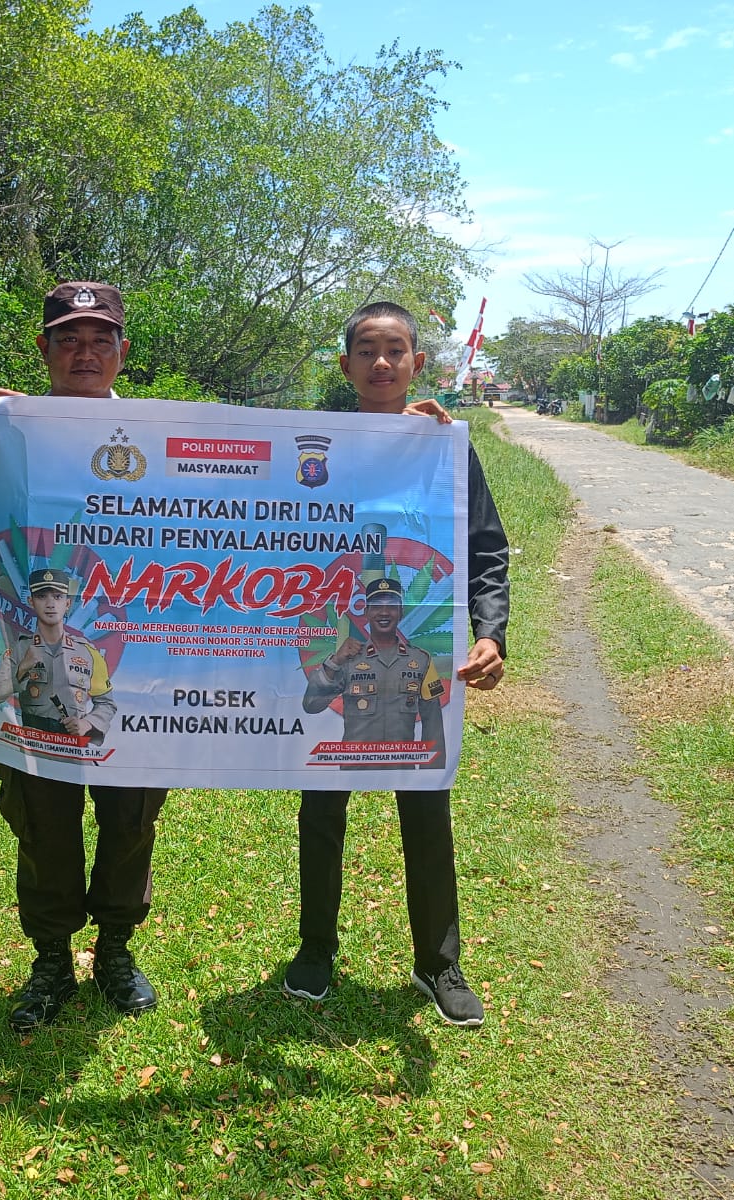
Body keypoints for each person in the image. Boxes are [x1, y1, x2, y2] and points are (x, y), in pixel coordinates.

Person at [283, 300, 510, 1028]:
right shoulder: (306, 444)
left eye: (396, 351)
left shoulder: (442, 448)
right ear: (345, 365)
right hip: (340, 664)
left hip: (419, 667)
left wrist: (492, 633)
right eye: (367, 351)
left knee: (426, 813)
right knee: (320, 810)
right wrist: (31, 417)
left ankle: (438, 963)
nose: (382, 363)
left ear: (417, 363)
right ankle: (316, 951)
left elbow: (487, 549)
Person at [0, 282, 164, 1032]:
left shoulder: (162, 437)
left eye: (99, 338)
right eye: (67, 339)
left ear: (123, 353)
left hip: (133, 675)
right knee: (41, 817)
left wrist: (399, 435)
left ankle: (114, 949)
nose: (84, 352)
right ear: (43, 350)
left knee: (131, 815)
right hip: (31, 673)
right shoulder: (4, 442)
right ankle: (50, 959)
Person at [303, 576, 446, 768]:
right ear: (366, 612)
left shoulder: (421, 660)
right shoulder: (347, 658)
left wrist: (432, 775)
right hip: (354, 765)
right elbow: (311, 705)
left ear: (401, 612)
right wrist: (335, 661)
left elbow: (433, 723)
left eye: (392, 606)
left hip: (402, 766)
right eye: (377, 606)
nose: (384, 612)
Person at [0, 568, 115, 743]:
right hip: (31, 747)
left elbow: (106, 703)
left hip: (71, 750)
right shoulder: (19, 649)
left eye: (57, 597)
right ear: (31, 602)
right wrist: (24, 666)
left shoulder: (88, 653)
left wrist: (87, 723)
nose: (50, 604)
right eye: (42, 596)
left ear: (67, 604)